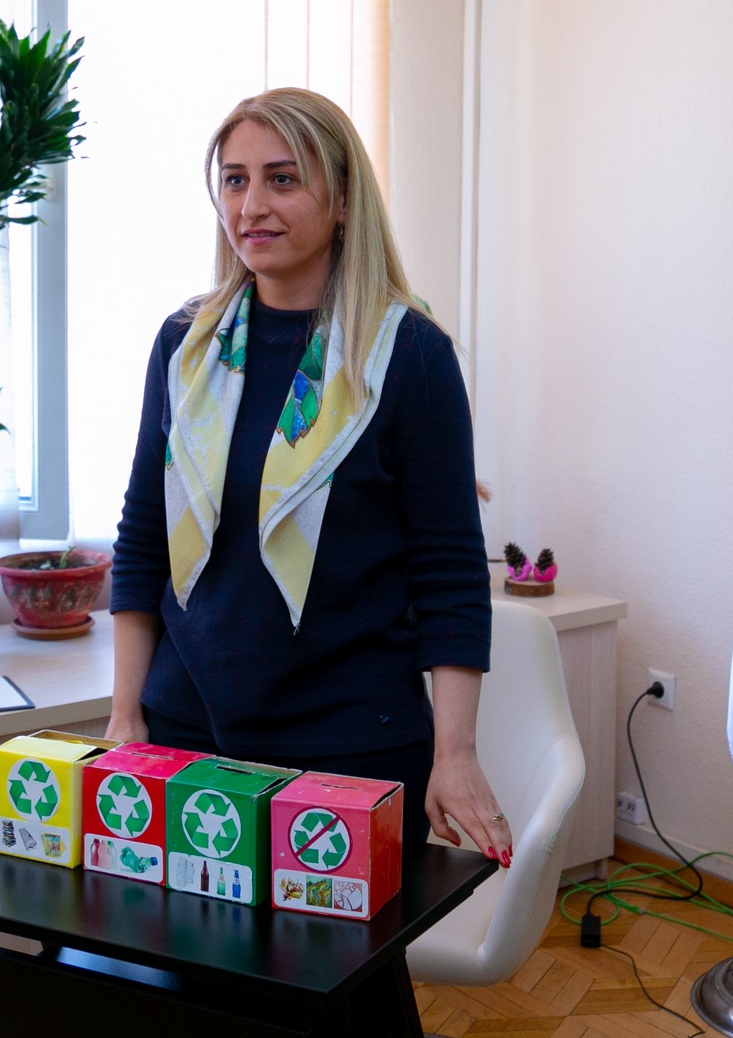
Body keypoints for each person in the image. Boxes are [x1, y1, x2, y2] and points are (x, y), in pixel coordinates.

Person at [106, 86, 513, 867]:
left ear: (344, 200)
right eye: (235, 180)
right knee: (172, 947)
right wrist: (127, 715)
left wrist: (455, 752)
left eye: (283, 178)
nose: (252, 205)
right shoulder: (185, 347)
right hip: (185, 730)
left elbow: (450, 573)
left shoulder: (408, 355)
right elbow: (143, 537)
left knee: (334, 954)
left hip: (350, 748)